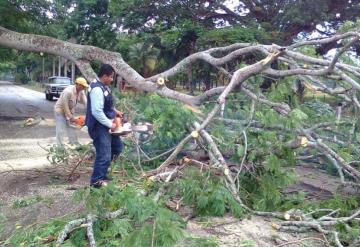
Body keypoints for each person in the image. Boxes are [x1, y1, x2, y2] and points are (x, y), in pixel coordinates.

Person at [85, 64, 123, 188]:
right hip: (99, 126)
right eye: (111, 77)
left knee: (117, 147)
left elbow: (106, 105)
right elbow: (96, 111)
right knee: (104, 155)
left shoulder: (104, 87)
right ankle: (96, 182)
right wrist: (110, 124)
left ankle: (102, 173)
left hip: (106, 125)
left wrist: (115, 111)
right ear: (105, 76)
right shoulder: (96, 89)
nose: (112, 80)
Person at [54, 77, 88, 146]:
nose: (84, 88)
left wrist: (90, 111)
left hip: (70, 110)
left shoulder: (81, 91)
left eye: (84, 86)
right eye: (83, 86)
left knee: (71, 127)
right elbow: (65, 105)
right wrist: (70, 117)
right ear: (77, 84)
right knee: (60, 129)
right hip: (60, 110)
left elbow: (86, 102)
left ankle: (74, 143)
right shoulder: (68, 91)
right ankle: (59, 146)